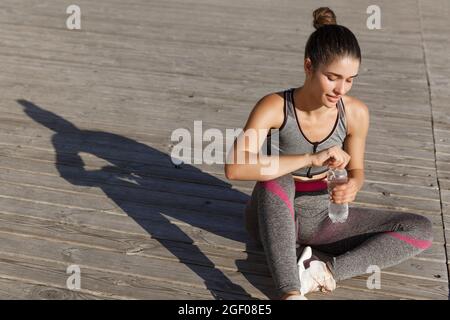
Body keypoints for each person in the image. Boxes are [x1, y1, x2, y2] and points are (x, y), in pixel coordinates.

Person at [224, 7, 433, 300]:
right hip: (271, 216)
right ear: (309, 67)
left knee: (420, 229)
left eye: (349, 79)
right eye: (333, 77)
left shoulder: (356, 113)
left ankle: (325, 272)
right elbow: (235, 168)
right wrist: (310, 159)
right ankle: (290, 293)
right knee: (279, 178)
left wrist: (353, 185)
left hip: (324, 219)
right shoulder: (274, 106)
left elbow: (357, 170)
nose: (340, 89)